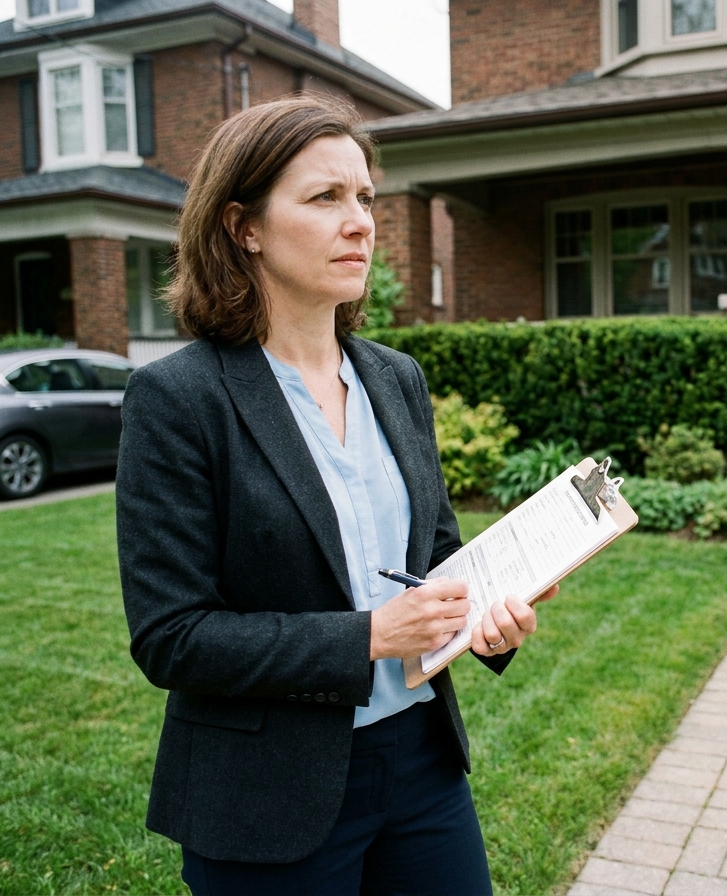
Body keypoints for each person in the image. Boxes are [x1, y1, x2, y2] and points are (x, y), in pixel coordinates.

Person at [116, 95, 554, 896]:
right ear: (242, 227)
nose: (360, 222)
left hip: (422, 763)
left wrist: (487, 612)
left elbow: (433, 557)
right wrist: (366, 638)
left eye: (364, 199)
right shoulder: (178, 399)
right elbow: (172, 637)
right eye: (325, 198)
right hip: (268, 791)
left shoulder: (395, 377)